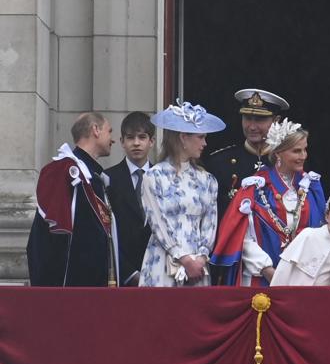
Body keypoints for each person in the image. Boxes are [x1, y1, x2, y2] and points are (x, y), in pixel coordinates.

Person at [211, 119, 327, 286]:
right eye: (296, 151)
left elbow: (321, 231)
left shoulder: (310, 186)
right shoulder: (256, 188)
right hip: (262, 278)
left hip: (303, 279)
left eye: (304, 150)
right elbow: (241, 237)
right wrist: (268, 271)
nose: (303, 156)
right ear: (278, 153)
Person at [27, 111, 118, 287]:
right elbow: (51, 235)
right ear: (96, 130)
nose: (112, 139)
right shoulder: (63, 169)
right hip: (70, 285)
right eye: (109, 131)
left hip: (96, 283)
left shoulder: (94, 176)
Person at [138, 101, 224, 287]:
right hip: (163, 260)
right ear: (183, 138)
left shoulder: (207, 180)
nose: (205, 143)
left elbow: (210, 222)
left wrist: (201, 256)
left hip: (198, 264)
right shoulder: (154, 176)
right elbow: (157, 221)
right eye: (200, 137)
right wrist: (182, 257)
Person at [204, 89, 288, 213]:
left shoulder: (287, 161)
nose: (252, 126)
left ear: (276, 121)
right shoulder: (220, 162)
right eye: (248, 118)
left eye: (260, 119)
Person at [105, 111, 155, 286]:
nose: (136, 143)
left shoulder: (164, 178)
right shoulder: (108, 179)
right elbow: (105, 234)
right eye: (130, 137)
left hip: (159, 272)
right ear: (121, 142)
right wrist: (129, 273)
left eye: (142, 137)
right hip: (122, 275)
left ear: (152, 142)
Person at [270, 195, 330, 287]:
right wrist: (277, 297)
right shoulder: (308, 235)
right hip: (295, 298)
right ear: (327, 216)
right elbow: (283, 269)